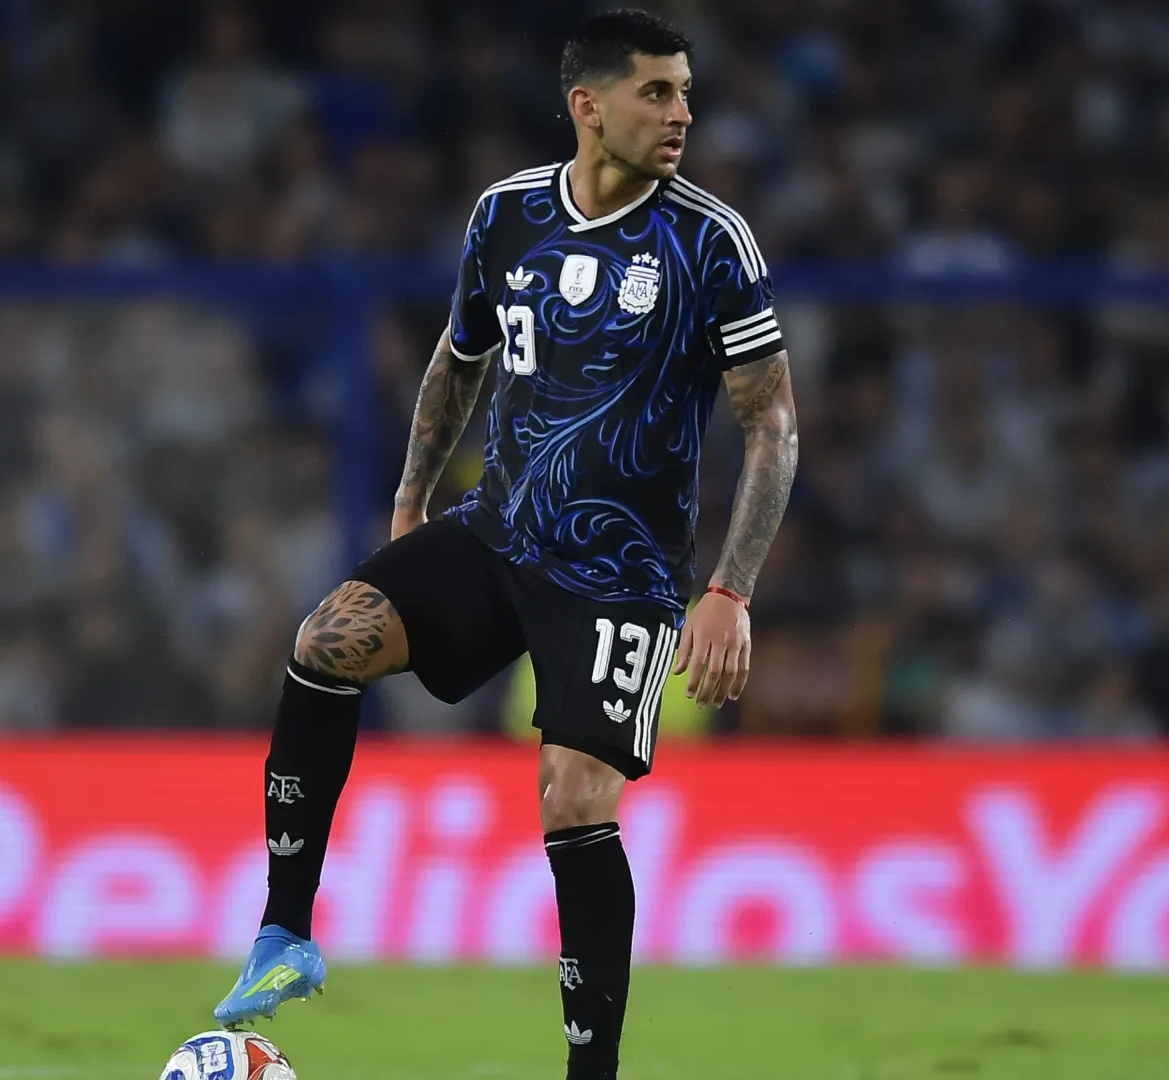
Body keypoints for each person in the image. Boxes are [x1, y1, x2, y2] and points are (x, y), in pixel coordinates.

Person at [212, 11, 799, 1079]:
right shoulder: (509, 214)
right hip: (498, 534)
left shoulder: (712, 240)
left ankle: (591, 1075)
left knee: (574, 802)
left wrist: (731, 589)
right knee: (325, 639)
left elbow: (772, 421)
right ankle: (285, 932)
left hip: (621, 580)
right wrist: (410, 496)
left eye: (685, 93)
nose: (682, 114)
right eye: (657, 93)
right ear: (589, 105)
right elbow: (458, 359)